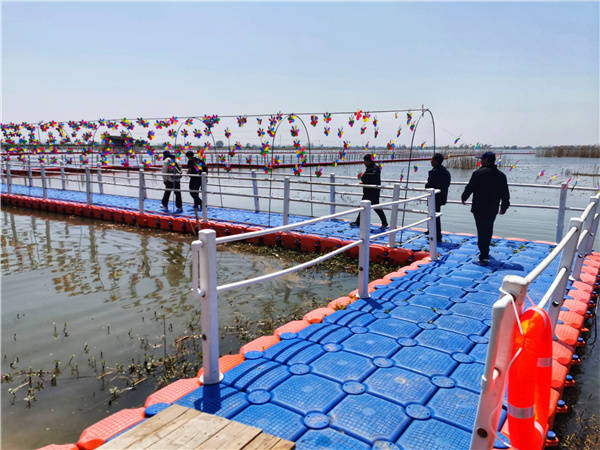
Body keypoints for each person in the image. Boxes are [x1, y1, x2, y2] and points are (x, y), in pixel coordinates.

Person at [461, 151, 510, 265]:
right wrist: (504, 207)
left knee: (481, 230)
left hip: (479, 207)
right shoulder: (501, 175)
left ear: (486, 160)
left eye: (482, 159)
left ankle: (483, 254)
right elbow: (505, 194)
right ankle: (485, 251)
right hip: (492, 207)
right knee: (488, 229)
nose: (480, 161)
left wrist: (464, 197)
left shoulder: (478, 173)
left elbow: (470, 188)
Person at [353, 154, 389, 228]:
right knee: (363, 206)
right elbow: (366, 178)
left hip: (373, 191)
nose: (364, 163)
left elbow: (370, 177)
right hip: (367, 191)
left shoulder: (375, 168)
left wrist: (363, 177)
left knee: (376, 208)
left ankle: (385, 223)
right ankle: (357, 222)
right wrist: (364, 179)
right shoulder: (369, 168)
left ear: (368, 161)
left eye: (365, 161)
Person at [425, 153, 451, 242]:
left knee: (434, 216)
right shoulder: (446, 171)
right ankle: (432, 231)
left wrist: (426, 185)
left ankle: (437, 235)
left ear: (436, 161)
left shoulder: (434, 172)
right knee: (435, 215)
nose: (430, 161)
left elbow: (429, 185)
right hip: (442, 196)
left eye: (432, 160)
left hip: (434, 197)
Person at [186, 151, 208, 221]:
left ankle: (201, 203)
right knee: (196, 192)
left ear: (188, 156)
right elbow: (205, 167)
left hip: (194, 178)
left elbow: (189, 170)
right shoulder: (199, 160)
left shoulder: (190, 161)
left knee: (192, 192)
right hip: (201, 178)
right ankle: (196, 205)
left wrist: (187, 173)